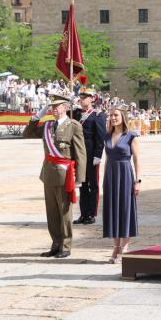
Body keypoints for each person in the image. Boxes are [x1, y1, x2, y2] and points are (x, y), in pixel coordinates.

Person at [22, 92, 86, 258]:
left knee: (64, 211)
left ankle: (66, 245)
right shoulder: (48, 125)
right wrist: (38, 115)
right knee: (51, 212)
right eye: (51, 107)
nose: (53, 110)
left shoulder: (73, 126)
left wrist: (80, 178)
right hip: (49, 173)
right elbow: (27, 133)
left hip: (65, 174)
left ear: (65, 107)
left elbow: (80, 153)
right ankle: (56, 243)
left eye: (56, 106)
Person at [102, 105, 140, 263]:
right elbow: (106, 159)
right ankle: (115, 247)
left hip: (125, 175)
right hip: (111, 175)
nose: (112, 118)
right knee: (113, 211)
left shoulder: (131, 136)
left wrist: (138, 181)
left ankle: (125, 247)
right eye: (111, 115)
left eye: (115, 115)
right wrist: (104, 179)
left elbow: (137, 159)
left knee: (125, 210)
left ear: (123, 117)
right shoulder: (107, 136)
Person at [72, 87, 107, 225]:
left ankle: (91, 213)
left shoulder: (98, 115)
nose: (82, 99)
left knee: (93, 185)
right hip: (79, 155)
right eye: (81, 97)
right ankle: (83, 213)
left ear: (92, 98)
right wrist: (68, 102)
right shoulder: (76, 113)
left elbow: (100, 136)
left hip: (91, 154)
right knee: (82, 184)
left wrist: (98, 154)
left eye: (85, 97)